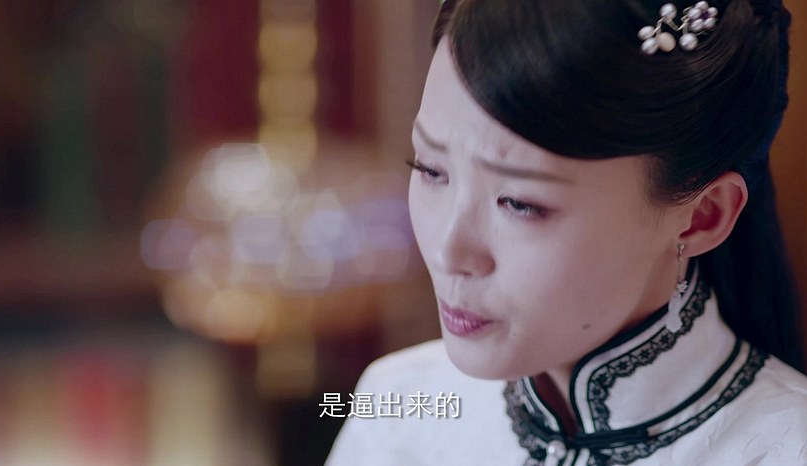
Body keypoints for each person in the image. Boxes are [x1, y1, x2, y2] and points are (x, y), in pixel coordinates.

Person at [327, 0, 807, 464]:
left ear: (703, 217)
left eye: (520, 203)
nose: (448, 252)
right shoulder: (397, 406)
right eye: (430, 170)